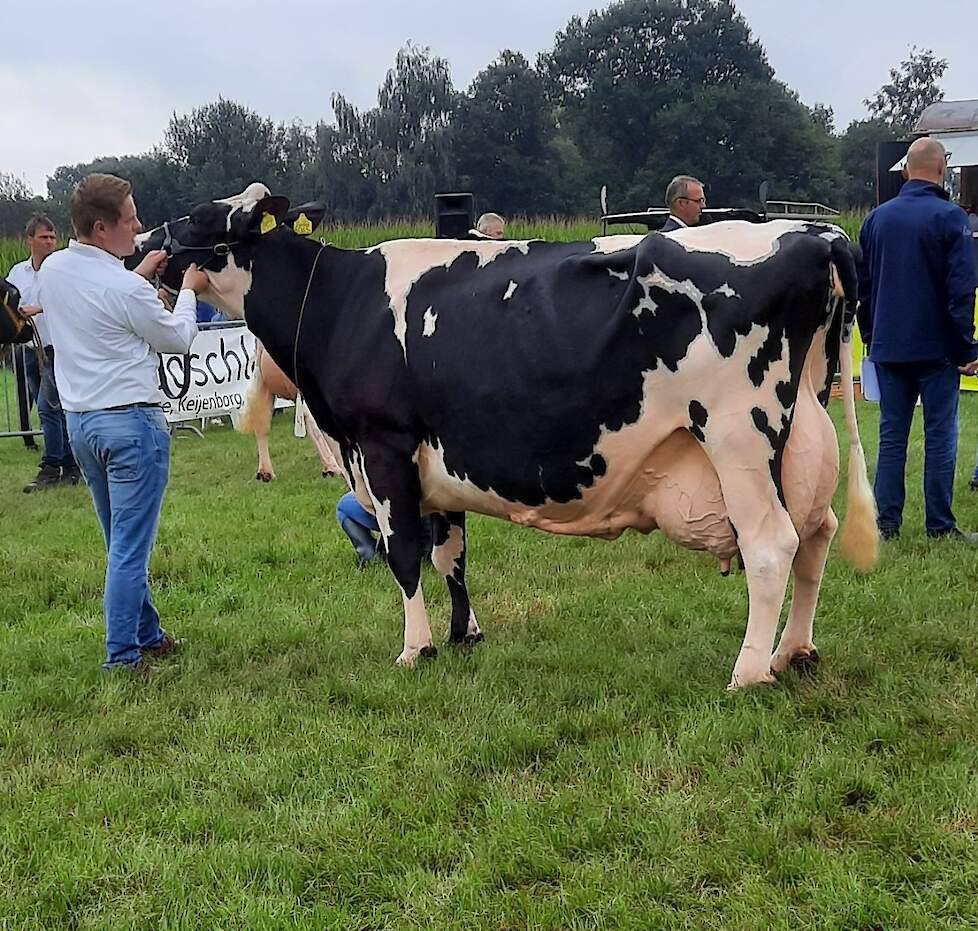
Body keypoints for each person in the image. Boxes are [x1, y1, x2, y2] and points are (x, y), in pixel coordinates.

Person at [38, 173, 209, 674]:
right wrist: (190, 291)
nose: (137, 225)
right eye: (130, 218)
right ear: (100, 226)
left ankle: (147, 633)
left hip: (83, 425)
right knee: (130, 551)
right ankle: (122, 656)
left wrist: (136, 271)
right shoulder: (125, 288)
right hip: (132, 424)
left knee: (119, 541)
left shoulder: (54, 269)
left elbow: (101, 293)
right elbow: (177, 338)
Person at [857, 137, 978, 541]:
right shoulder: (951, 218)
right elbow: (961, 291)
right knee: (940, 434)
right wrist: (965, 348)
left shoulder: (875, 220)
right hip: (936, 348)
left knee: (893, 436)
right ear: (942, 169)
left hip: (889, 346)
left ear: (906, 170)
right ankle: (939, 526)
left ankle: (886, 522)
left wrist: (873, 338)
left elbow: (865, 288)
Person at [7, 215, 81, 491]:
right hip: (29, 348)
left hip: (55, 348)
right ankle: (71, 465)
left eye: (52, 237)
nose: (50, 241)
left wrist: (38, 308)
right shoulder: (17, 272)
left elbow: (72, 301)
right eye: (43, 237)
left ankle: (51, 466)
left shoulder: (61, 270)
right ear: (29, 239)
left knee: (47, 408)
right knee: (54, 410)